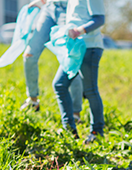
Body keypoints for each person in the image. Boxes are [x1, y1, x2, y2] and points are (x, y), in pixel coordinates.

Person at [52, 0, 105, 144]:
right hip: (74, 48)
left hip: (90, 47)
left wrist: (78, 31)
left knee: (90, 90)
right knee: (59, 84)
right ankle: (69, 130)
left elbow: (100, 19)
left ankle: (97, 132)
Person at [21, 0, 83, 119]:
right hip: (49, 9)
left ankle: (75, 112)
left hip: (67, 9)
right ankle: (33, 100)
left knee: (70, 61)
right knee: (29, 54)